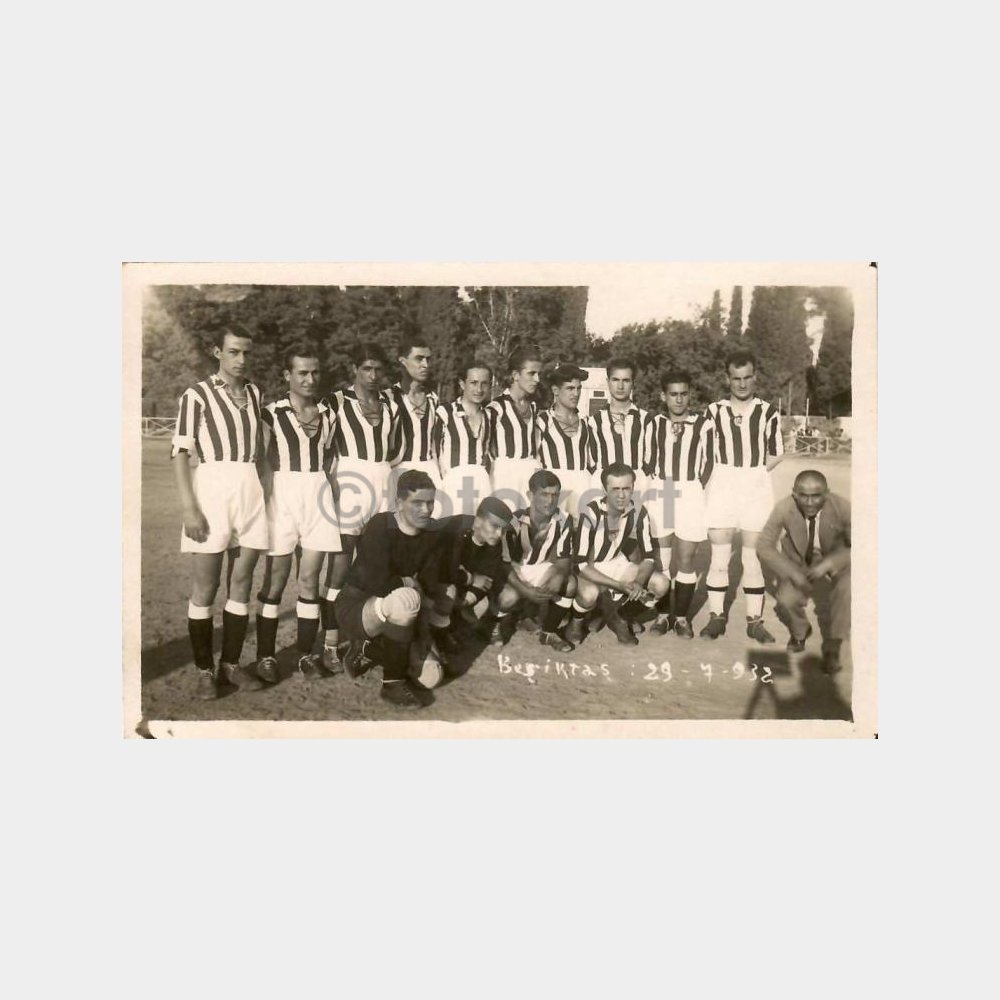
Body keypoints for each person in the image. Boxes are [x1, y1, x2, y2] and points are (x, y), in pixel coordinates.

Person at [171, 323, 270, 700]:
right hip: (212, 492)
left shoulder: (255, 393)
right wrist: (189, 508)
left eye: (246, 352)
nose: (241, 359)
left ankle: (230, 665)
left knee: (241, 584)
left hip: (249, 492)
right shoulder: (196, 394)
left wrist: (265, 495)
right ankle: (204, 670)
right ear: (217, 352)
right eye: (233, 351)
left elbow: (261, 452)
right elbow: (180, 453)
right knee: (206, 587)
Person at [254, 345, 342, 681]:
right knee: (275, 579)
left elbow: (330, 458)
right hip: (283, 493)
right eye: (302, 372)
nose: (309, 379)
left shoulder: (328, 414)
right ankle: (266, 656)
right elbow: (261, 460)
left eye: (315, 372)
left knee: (310, 579)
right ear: (287, 375)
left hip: (317, 494)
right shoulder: (271, 414)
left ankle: (305, 655)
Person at [333, 470, 442, 709]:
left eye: (430, 502)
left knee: (432, 676)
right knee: (406, 599)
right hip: (356, 607)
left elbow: (429, 583)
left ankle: (367, 649)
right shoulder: (381, 524)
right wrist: (408, 582)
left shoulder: (432, 531)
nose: (426, 510)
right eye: (417, 503)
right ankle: (392, 683)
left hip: (397, 608)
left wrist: (425, 636)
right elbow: (377, 582)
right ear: (399, 503)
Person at [321, 343, 396, 672]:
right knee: (339, 569)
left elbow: (394, 447)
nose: (373, 375)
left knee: (374, 567)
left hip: (382, 484)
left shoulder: (389, 404)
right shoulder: (335, 402)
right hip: (350, 483)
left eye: (378, 369)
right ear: (354, 369)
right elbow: (321, 447)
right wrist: (331, 485)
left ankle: (362, 639)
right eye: (366, 368)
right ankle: (329, 643)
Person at [699, 350, 784, 643]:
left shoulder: (768, 411)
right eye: (736, 378)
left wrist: (755, 472)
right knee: (719, 555)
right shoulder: (714, 411)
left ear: (755, 377)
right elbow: (703, 450)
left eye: (747, 377)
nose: (742, 384)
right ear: (727, 379)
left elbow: (777, 452)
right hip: (723, 482)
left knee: (752, 556)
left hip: (755, 484)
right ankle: (716, 617)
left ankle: (754, 621)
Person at [757, 470, 851, 674]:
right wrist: (792, 573)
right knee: (786, 599)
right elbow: (764, 545)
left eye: (816, 496)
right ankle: (800, 632)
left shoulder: (842, 507)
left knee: (846, 591)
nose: (809, 503)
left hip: (835, 556)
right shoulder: (784, 507)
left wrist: (831, 563)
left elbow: (863, 543)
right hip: (799, 561)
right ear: (794, 494)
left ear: (827, 493)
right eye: (803, 496)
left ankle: (833, 647)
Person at [643, 371, 714, 637]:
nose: (679, 399)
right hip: (662, 488)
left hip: (690, 491)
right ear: (663, 396)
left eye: (684, 393)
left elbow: (709, 463)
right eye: (673, 394)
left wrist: (692, 487)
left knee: (686, 558)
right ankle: (662, 616)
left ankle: (681, 618)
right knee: (661, 559)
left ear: (690, 394)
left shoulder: (703, 425)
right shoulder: (655, 423)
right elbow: (647, 460)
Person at [570, 462, 669, 646]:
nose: (621, 495)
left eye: (626, 488)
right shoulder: (591, 512)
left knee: (661, 584)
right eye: (615, 489)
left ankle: (621, 616)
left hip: (616, 562)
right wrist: (619, 586)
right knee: (589, 594)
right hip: (589, 568)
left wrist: (638, 582)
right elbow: (580, 564)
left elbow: (648, 557)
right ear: (604, 489)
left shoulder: (639, 512)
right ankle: (576, 622)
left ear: (633, 487)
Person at [490, 469, 577, 653]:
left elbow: (564, 559)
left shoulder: (563, 520)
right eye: (544, 494)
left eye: (555, 495)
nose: (550, 501)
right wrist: (525, 591)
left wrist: (558, 575)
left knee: (569, 583)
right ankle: (494, 624)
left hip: (539, 568)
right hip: (513, 570)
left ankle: (548, 631)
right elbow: (504, 564)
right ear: (530, 495)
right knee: (509, 597)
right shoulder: (514, 521)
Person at [424, 497, 514, 660]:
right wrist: (470, 578)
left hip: (455, 585)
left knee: (481, 605)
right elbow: (441, 571)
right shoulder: (454, 531)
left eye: (503, 529)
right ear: (478, 521)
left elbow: (487, 579)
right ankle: (430, 637)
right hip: (426, 582)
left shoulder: (494, 544)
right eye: (495, 526)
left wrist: (466, 600)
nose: (499, 534)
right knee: (449, 593)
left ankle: (447, 628)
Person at [388, 329, 442, 509]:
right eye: (419, 359)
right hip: (399, 474)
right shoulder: (389, 398)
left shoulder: (434, 399)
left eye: (428, 359)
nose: (425, 365)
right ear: (403, 361)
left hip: (430, 473)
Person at [586, 357, 651, 504]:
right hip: (604, 488)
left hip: (637, 488)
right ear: (608, 382)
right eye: (615, 380)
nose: (620, 386)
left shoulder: (646, 419)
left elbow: (650, 460)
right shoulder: (595, 421)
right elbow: (591, 461)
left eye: (626, 380)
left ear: (633, 383)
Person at [486, 344, 543, 510]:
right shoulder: (496, 407)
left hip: (529, 477)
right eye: (531, 373)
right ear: (516, 375)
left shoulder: (533, 407)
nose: (537, 379)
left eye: (538, 374)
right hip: (505, 478)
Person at [434, 361, 493, 517]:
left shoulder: (489, 416)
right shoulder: (445, 412)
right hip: (453, 483)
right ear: (462, 384)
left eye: (484, 383)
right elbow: (434, 453)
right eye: (473, 383)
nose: (479, 389)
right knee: (454, 526)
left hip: (481, 484)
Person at [536, 363, 595, 517]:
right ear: (555, 390)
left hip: (583, 488)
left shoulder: (586, 423)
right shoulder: (542, 421)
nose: (576, 393)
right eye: (570, 388)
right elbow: (535, 462)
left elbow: (592, 462)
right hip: (554, 489)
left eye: (578, 388)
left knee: (583, 530)